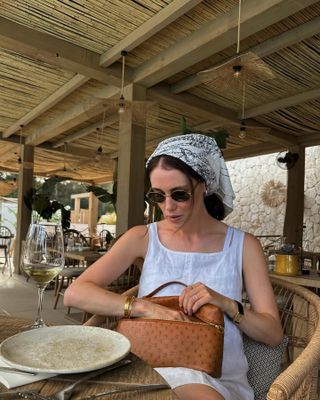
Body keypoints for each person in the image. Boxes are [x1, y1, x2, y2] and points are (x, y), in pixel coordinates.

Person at [64, 133, 283, 400]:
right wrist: (144, 307)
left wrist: (225, 303)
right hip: (148, 366)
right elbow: (75, 293)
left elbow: (272, 334)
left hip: (215, 375)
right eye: (158, 195)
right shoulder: (142, 237)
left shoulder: (243, 245)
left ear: (204, 185)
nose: (168, 207)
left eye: (179, 194)